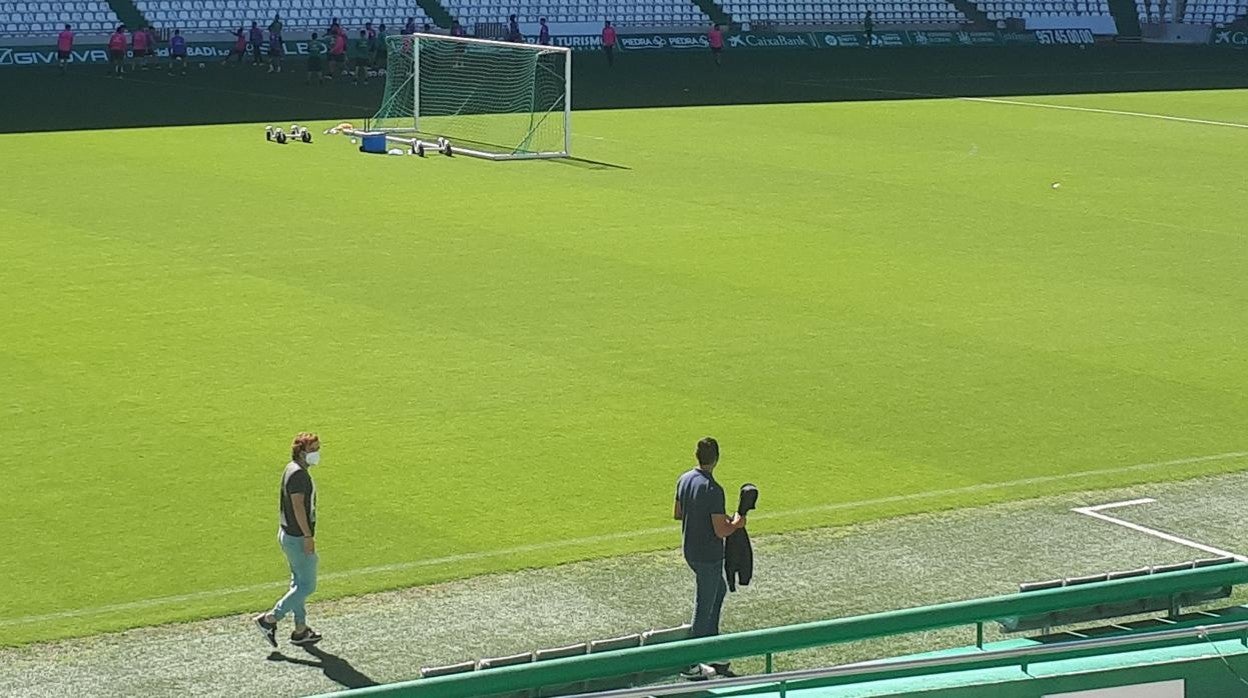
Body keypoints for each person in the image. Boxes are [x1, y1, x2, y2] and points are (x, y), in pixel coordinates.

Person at [674, 437, 746, 679]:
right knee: (703, 605)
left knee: (719, 591)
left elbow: (678, 513)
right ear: (716, 458)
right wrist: (735, 523)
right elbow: (721, 531)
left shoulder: (684, 479)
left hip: (691, 550)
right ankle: (691, 662)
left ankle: (710, 645)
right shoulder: (714, 489)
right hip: (709, 555)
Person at [254, 433, 324, 649]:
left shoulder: (292, 469)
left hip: (289, 535)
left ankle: (301, 630)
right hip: (297, 537)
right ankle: (270, 619)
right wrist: (307, 536)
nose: (317, 453)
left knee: (298, 583)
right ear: (302, 452)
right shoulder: (299, 475)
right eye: (314, 449)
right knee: (307, 586)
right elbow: (298, 507)